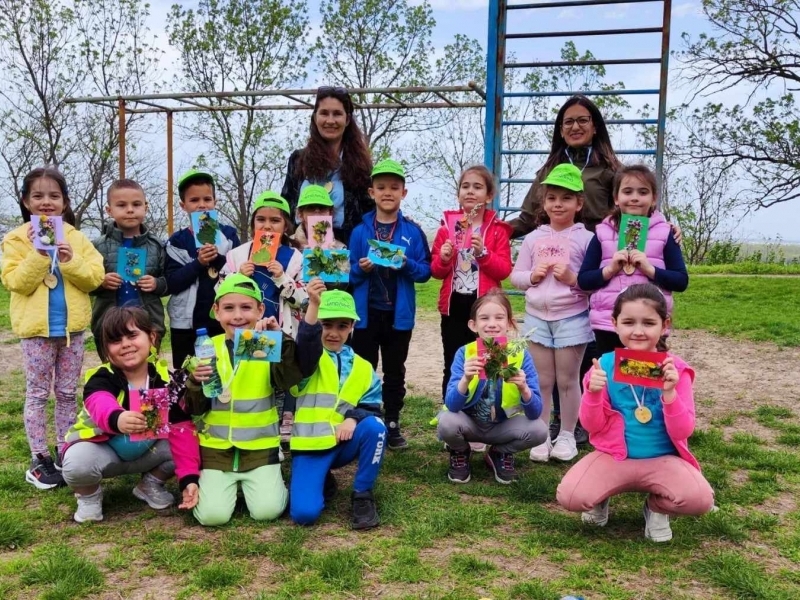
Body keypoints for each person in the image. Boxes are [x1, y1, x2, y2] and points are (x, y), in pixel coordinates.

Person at [556, 284, 715, 542]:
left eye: (648, 323)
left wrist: (670, 394)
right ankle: (599, 498)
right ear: (615, 324)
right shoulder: (603, 366)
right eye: (628, 322)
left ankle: (655, 508)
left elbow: (684, 431)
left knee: (700, 500)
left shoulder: (676, 370)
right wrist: (593, 393)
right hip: (614, 457)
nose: (638, 331)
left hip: (662, 459)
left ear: (664, 325)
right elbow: (591, 426)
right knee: (571, 496)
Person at [185, 274, 321, 526]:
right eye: (229, 308)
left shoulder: (263, 344)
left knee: (266, 512)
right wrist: (194, 383)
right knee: (211, 517)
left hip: (260, 449)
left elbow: (290, 377)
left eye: (246, 307)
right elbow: (194, 408)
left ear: (260, 310)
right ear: (216, 312)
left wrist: (280, 340)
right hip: (216, 451)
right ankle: (228, 486)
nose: (238, 316)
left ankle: (253, 485)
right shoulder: (206, 348)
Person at [1, 167, 105, 490]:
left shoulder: (77, 237)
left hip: (72, 331)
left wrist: (70, 258)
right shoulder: (16, 240)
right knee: (36, 393)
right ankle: (38, 457)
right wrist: (38, 255)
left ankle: (64, 448)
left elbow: (95, 278)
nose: (46, 202)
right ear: (26, 201)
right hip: (36, 333)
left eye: (54, 196)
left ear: (65, 202)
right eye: (38, 196)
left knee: (65, 393)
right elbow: (15, 282)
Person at [61, 307, 199, 523]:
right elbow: (99, 401)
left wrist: (189, 478)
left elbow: (182, 427)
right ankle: (88, 496)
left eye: (132, 335)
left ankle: (150, 484)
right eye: (116, 340)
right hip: (103, 449)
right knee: (77, 463)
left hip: (147, 450)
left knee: (189, 440)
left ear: (152, 337)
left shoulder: (166, 380)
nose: (125, 344)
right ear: (106, 349)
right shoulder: (102, 376)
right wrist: (117, 418)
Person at [510, 164, 595, 463]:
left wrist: (573, 278)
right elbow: (515, 276)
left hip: (572, 317)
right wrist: (533, 276)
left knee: (568, 379)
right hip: (536, 318)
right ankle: (541, 433)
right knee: (542, 380)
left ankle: (568, 435)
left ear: (579, 203)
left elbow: (593, 281)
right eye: (552, 198)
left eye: (566, 198)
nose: (558, 204)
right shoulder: (533, 238)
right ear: (544, 203)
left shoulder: (587, 239)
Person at [349, 159, 432, 449]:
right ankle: (366, 421)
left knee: (395, 371)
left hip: (399, 316)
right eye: (381, 187)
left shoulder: (412, 231)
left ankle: (393, 423)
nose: (388, 192)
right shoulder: (360, 231)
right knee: (364, 369)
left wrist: (406, 264)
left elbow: (425, 272)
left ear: (404, 193)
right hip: (366, 315)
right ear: (372, 192)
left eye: (394, 188)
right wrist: (362, 268)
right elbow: (347, 273)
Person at [289, 289, 387, 530]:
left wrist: (353, 419)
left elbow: (372, 405)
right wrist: (312, 305)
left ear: (352, 326)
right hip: (311, 446)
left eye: (342, 326)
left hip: (343, 441)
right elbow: (307, 341)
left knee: (376, 428)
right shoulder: (308, 358)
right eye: (326, 325)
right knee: (304, 514)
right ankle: (322, 480)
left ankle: (362, 494)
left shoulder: (364, 367)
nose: (333, 333)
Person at [578, 164, 688, 356]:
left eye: (643, 192)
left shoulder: (665, 233)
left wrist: (650, 269)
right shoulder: (602, 232)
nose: (635, 197)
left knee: (646, 379)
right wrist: (609, 269)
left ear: (653, 199)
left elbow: (681, 281)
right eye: (627, 191)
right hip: (609, 323)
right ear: (616, 198)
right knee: (611, 378)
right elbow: (584, 280)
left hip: (650, 324)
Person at [438, 291, 546, 484]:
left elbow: (535, 411)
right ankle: (460, 450)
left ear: (510, 323)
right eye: (484, 318)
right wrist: (466, 378)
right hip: (468, 424)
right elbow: (452, 405)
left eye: (499, 317)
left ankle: (499, 453)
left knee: (539, 430)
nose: (492, 324)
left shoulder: (520, 355)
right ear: (473, 325)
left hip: (502, 426)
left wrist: (524, 388)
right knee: (446, 421)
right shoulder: (465, 353)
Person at [430, 165, 513, 405]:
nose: (470, 191)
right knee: (454, 361)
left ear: (488, 196)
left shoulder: (497, 231)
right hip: (454, 306)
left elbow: (504, 270)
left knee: (489, 361)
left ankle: (488, 412)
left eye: (477, 187)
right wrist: (444, 258)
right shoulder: (447, 228)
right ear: (458, 194)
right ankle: (451, 409)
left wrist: (483, 253)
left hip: (485, 308)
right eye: (465, 186)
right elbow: (435, 271)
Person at [509, 94, 621, 238]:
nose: (575, 127)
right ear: (561, 130)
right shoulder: (549, 171)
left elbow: (633, 213)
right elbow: (527, 220)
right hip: (553, 252)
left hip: (597, 252)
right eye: (568, 122)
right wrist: (489, 232)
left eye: (582, 120)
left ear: (595, 127)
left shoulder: (612, 170)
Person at [165, 169, 241, 369]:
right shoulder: (177, 241)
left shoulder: (229, 235)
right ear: (183, 206)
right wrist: (198, 263)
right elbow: (173, 282)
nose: (201, 205)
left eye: (207, 199)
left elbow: (238, 275)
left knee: (224, 370)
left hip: (222, 321)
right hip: (186, 325)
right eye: (194, 200)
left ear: (215, 202)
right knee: (187, 375)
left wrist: (217, 258)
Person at [281, 86, 374, 246]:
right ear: (315, 117)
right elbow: (286, 208)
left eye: (337, 114)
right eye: (324, 113)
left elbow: (372, 213)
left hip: (346, 252)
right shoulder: (298, 160)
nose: (330, 120)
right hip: (300, 251)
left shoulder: (361, 166)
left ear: (347, 119)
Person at [90, 179, 168, 359]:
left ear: (146, 207)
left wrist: (156, 284)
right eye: (122, 205)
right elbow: (85, 284)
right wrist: (101, 282)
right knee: (112, 376)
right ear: (109, 210)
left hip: (148, 323)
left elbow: (168, 282)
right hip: (108, 324)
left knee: (148, 374)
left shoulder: (157, 246)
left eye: (136, 204)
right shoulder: (97, 246)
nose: (130, 209)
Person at [222, 190, 307, 336]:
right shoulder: (237, 255)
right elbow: (219, 291)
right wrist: (239, 277)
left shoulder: (296, 259)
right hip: (243, 331)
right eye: (261, 220)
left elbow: (305, 300)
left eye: (275, 221)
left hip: (282, 335)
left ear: (285, 226)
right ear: (253, 223)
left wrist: (282, 278)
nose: (267, 226)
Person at [290, 184, 348, 252]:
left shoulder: (341, 249)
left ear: (331, 213)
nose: (317, 211)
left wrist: (332, 258)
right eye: (310, 207)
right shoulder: (288, 244)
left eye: (322, 207)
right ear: (300, 215)